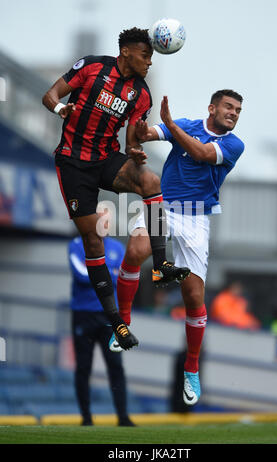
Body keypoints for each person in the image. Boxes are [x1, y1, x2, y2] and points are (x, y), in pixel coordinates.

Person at [42, 27, 190, 352]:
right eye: (145, 55)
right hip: (73, 164)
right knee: (93, 241)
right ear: (126, 52)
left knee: (149, 180)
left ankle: (162, 265)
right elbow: (49, 96)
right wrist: (59, 110)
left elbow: (132, 143)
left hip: (107, 158)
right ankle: (118, 324)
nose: (150, 62)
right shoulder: (91, 67)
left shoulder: (142, 93)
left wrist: (136, 152)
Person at [114, 90, 245, 406]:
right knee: (133, 253)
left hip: (196, 220)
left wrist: (171, 125)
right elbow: (147, 135)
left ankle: (191, 368)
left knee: (193, 298)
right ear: (212, 107)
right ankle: (123, 323)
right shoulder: (186, 124)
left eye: (238, 110)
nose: (234, 113)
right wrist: (139, 125)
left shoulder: (233, 144)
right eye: (229, 106)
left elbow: (200, 153)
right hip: (164, 208)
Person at [69, 231, 135, 427]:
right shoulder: (75, 244)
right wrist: (109, 274)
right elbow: (80, 274)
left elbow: (123, 276)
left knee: (115, 365)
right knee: (83, 367)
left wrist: (100, 275)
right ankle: (86, 417)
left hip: (109, 316)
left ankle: (123, 417)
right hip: (83, 313)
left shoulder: (117, 247)